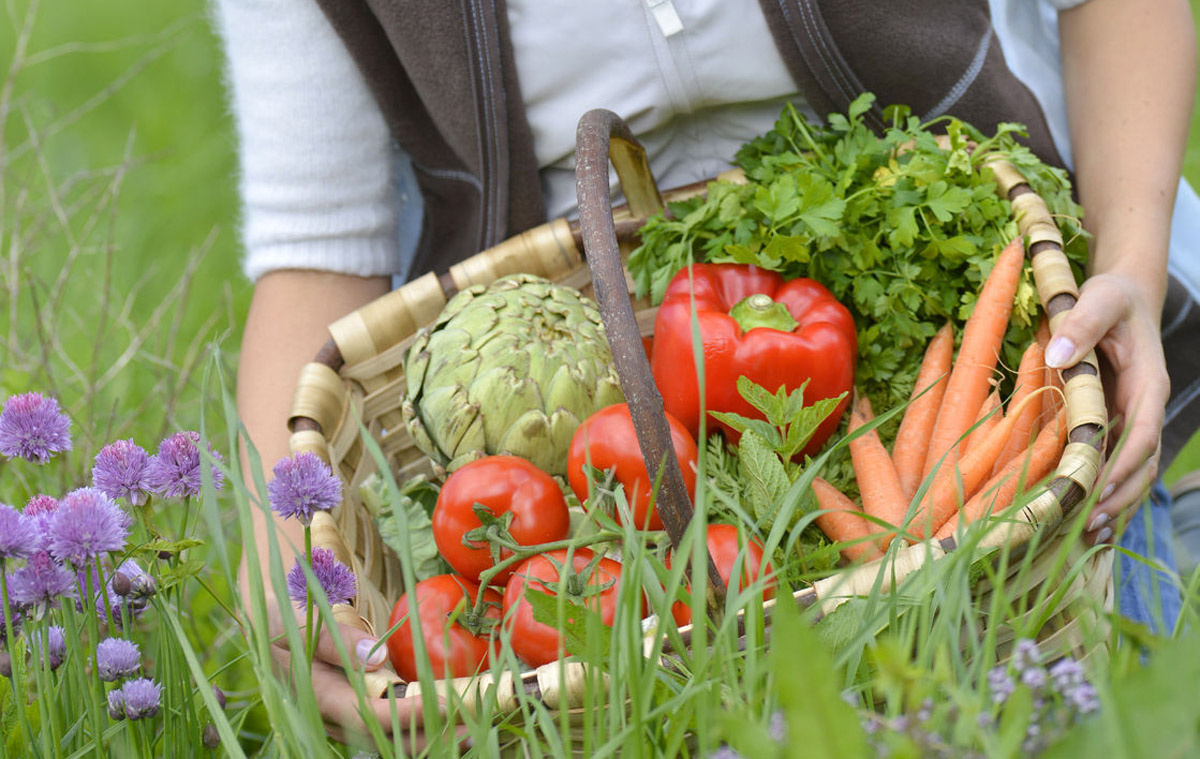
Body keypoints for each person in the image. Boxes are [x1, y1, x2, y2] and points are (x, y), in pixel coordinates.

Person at [216, 0, 1197, 742]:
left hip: (1039, 419)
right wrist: (287, 564)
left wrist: (1131, 264)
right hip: (584, 447)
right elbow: (317, 239)